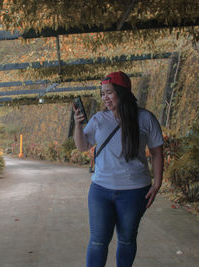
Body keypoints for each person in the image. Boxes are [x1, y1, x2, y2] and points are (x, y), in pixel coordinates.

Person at [73, 71, 164, 267]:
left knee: (126, 239)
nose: (105, 98)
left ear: (122, 93)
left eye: (109, 93)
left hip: (134, 191)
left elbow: (157, 152)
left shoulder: (146, 118)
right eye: (102, 94)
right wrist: (78, 126)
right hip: (100, 190)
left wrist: (157, 183)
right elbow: (82, 147)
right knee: (98, 241)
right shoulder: (99, 119)